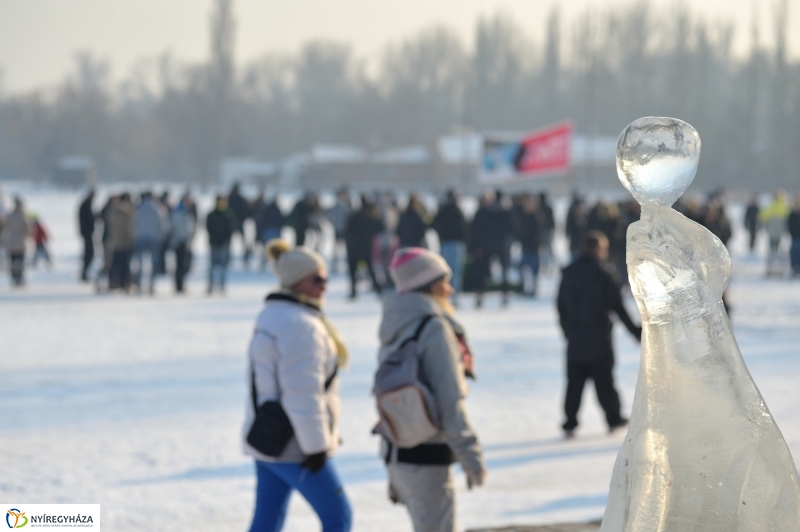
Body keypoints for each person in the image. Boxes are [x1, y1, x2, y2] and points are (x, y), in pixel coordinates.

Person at [243, 239, 352, 532]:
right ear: (296, 282)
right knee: (338, 517)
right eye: (317, 280)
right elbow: (302, 393)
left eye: (327, 278)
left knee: (267, 519)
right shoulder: (302, 326)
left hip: (267, 440)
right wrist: (316, 448)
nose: (325, 286)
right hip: (295, 446)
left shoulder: (273, 314)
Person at [379, 247, 486, 532]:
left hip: (398, 452)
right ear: (429, 286)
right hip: (427, 458)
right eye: (445, 281)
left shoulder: (395, 323)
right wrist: (471, 457)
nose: (450, 290)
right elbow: (449, 398)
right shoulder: (433, 328)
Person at [557, 231, 642, 438]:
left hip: (576, 339)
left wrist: (567, 331)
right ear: (597, 250)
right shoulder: (604, 274)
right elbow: (618, 307)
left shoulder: (569, 273)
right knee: (604, 382)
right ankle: (613, 418)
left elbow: (560, 306)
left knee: (574, 384)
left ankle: (570, 422)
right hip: (599, 339)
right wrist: (636, 332)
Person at [344, 196, 384, 299]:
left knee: (353, 271)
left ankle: (354, 291)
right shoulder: (371, 218)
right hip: (366, 247)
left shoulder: (353, 216)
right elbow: (381, 228)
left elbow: (347, 230)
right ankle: (378, 289)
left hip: (353, 247)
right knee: (370, 270)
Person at [431, 190, 466, 304]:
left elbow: (433, 224)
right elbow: (465, 229)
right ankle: (455, 297)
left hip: (445, 243)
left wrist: (442, 234)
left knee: (445, 273)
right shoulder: (458, 211)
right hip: (457, 244)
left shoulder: (443, 210)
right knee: (456, 272)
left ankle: (445, 296)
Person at [133, 192, 168, 295]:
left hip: (140, 238)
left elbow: (133, 224)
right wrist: (160, 237)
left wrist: (135, 235)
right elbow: (162, 225)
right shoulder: (157, 208)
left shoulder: (138, 209)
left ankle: (138, 285)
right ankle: (151, 285)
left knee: (139, 263)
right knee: (154, 263)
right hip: (154, 239)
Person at [206, 196, 236, 294]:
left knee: (221, 266)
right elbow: (208, 228)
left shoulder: (228, 214)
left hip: (222, 243)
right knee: (215, 266)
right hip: (216, 243)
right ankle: (212, 286)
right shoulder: (214, 214)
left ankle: (221, 286)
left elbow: (230, 229)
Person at [107, 193, 135, 291]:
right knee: (125, 265)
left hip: (115, 241)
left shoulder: (113, 210)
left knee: (115, 264)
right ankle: (124, 283)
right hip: (126, 242)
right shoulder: (129, 211)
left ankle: (112, 282)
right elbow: (130, 227)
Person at [759, 190, 790, 277]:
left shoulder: (771, 206)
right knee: (781, 252)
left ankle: (771, 268)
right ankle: (780, 269)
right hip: (781, 233)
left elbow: (761, 216)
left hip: (772, 233)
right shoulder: (784, 207)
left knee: (772, 251)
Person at [1, 197, 30, 286]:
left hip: (11, 243)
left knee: (13, 262)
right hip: (21, 243)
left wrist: (3, 240)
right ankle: (19, 278)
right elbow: (27, 230)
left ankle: (14, 278)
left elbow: (5, 229)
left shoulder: (10, 216)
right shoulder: (23, 217)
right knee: (20, 262)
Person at [169, 195, 196, 293]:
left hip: (185, 242)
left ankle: (180, 284)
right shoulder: (179, 213)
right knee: (180, 265)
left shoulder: (186, 213)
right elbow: (173, 228)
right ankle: (179, 285)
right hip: (179, 242)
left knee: (184, 265)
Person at [325, 187, 352, 274]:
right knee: (336, 249)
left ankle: (347, 265)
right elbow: (328, 214)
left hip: (347, 230)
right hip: (338, 229)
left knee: (347, 249)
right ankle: (335, 265)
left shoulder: (348, 205)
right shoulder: (336, 206)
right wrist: (333, 222)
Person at [78, 190, 96, 281]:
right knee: (89, 253)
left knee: (89, 253)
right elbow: (88, 218)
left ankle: (85, 273)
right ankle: (84, 273)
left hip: (86, 232)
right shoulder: (86, 204)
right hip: (87, 232)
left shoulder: (86, 204)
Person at [789, 195, 800, 277]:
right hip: (794, 236)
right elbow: (789, 225)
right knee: (794, 252)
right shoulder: (791, 214)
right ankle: (795, 268)